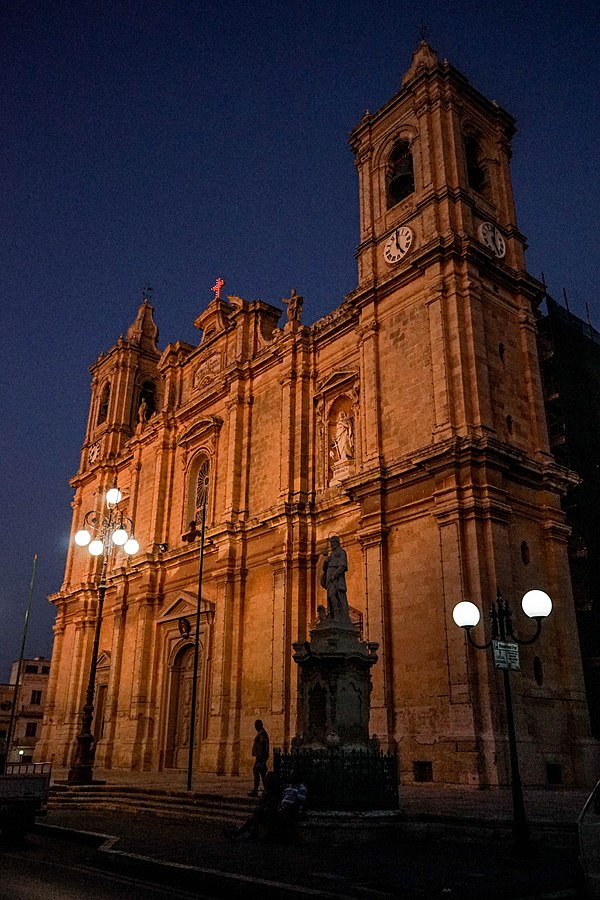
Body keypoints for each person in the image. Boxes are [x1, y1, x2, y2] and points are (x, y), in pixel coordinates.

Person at [224, 771, 281, 841]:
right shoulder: (268, 792)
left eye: (267, 779)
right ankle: (240, 833)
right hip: (264, 814)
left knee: (256, 817)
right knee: (253, 818)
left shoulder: (274, 793)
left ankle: (242, 833)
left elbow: (271, 806)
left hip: (269, 817)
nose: (265, 781)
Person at [320, 535, 350, 620]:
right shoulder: (331, 555)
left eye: (332, 543)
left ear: (337, 543)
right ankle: (331, 614)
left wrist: (334, 575)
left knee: (333, 595)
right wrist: (325, 562)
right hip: (329, 578)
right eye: (330, 543)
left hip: (336, 578)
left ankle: (337, 615)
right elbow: (325, 569)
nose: (331, 545)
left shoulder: (341, 552)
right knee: (330, 597)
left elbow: (342, 566)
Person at [248, 719, 269, 797]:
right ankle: (263, 790)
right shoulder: (261, 733)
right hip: (260, 757)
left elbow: (263, 744)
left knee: (258, 772)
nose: (255, 727)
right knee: (261, 773)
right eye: (255, 725)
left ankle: (259, 791)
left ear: (261, 725)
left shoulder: (262, 733)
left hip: (261, 757)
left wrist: (261, 757)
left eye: (257, 725)